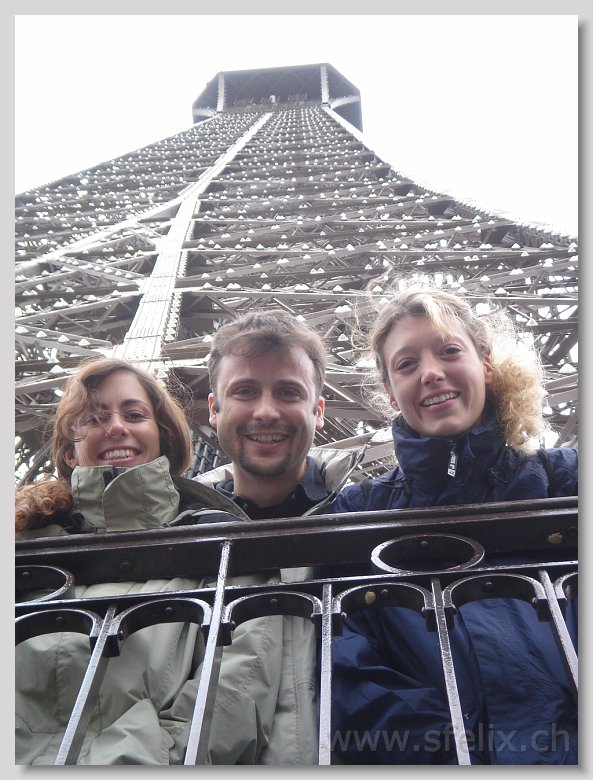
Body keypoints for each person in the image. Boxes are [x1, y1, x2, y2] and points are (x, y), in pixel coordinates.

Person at [16, 308, 364, 765]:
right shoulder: (34, 542)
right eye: (244, 390)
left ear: (318, 411)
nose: (116, 427)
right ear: (213, 409)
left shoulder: (366, 509)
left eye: (288, 391)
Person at [327, 277, 578, 765]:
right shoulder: (358, 511)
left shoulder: (568, 478)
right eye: (406, 364)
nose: (431, 373)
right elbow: (345, 662)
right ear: (389, 392)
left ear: (486, 364)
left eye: (449, 351)